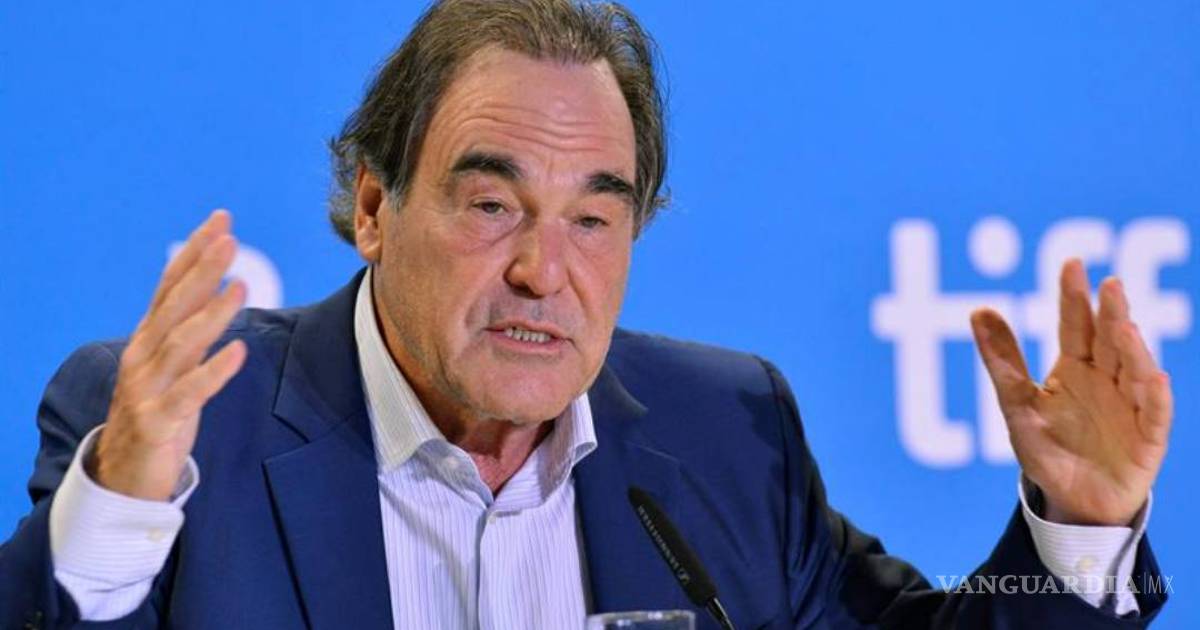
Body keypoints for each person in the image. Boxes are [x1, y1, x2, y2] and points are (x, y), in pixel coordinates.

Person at [0, 1, 1172, 628]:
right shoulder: (185, 428)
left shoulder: (726, 433)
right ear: (372, 206)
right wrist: (122, 511)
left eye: (594, 219)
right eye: (492, 205)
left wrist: (1080, 528)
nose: (543, 271)